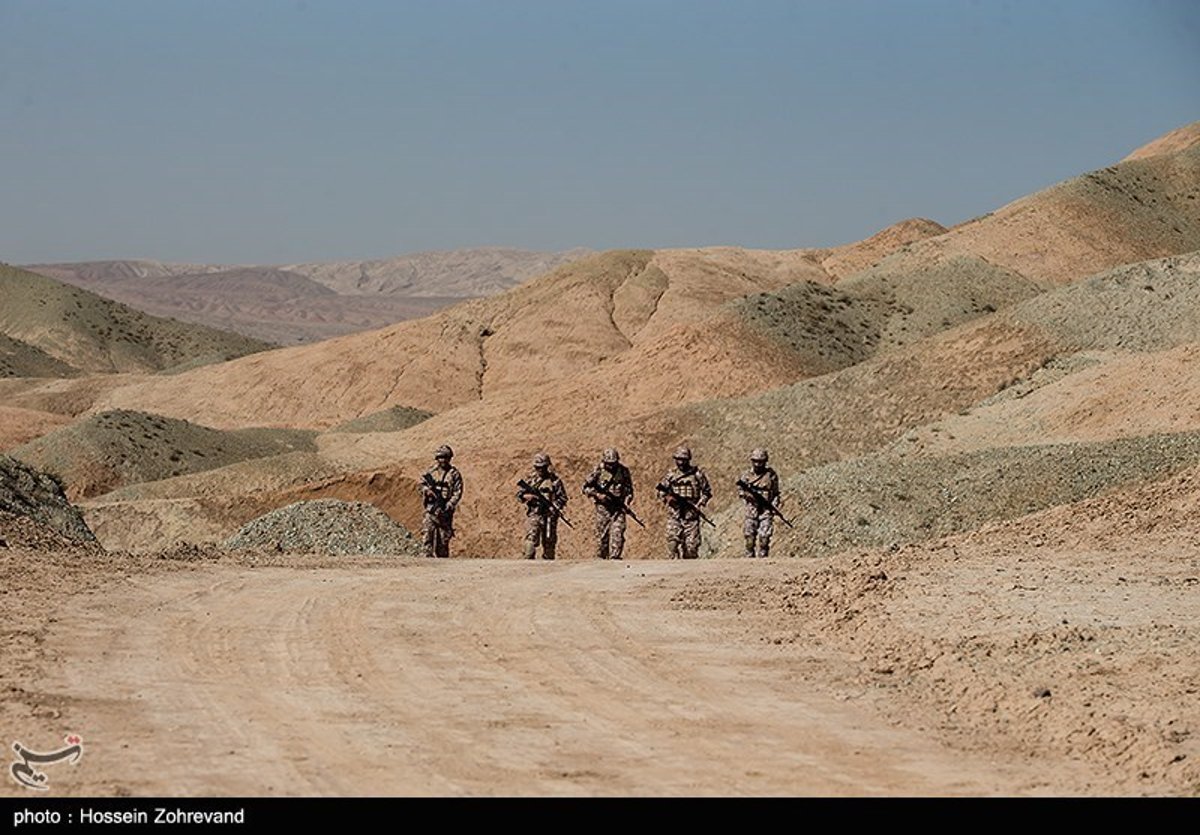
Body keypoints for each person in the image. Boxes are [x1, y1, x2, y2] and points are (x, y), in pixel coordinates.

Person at [656, 446, 711, 560]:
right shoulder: (670, 475)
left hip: (691, 516)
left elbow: (707, 492)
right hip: (674, 515)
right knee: (672, 544)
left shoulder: (697, 475)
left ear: (688, 460)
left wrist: (700, 503)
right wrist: (667, 498)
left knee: (691, 549)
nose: (681, 462)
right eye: (678, 459)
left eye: (683, 460)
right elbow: (661, 491)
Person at [582, 448, 635, 560]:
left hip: (618, 508)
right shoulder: (598, 471)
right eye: (608, 464)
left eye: (613, 463)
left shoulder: (623, 471)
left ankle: (615, 558)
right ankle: (601, 562)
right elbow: (585, 488)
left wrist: (627, 501)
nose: (611, 466)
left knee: (618, 533)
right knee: (602, 537)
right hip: (603, 509)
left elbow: (629, 490)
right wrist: (597, 495)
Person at [517, 452, 568, 560]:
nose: (540, 470)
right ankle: (527, 564)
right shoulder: (530, 479)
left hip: (550, 516)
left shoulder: (555, 481)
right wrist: (528, 496)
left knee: (549, 544)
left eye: (543, 467)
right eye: (538, 467)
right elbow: (519, 496)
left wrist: (554, 507)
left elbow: (563, 498)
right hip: (535, 514)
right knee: (530, 540)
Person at [419, 444, 463, 558]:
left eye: (445, 457)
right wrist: (426, 490)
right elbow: (421, 484)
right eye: (440, 457)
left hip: (445, 513)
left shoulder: (454, 474)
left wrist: (449, 504)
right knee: (427, 539)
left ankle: (441, 570)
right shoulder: (431, 472)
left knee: (442, 544)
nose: (442, 460)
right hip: (431, 510)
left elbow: (457, 492)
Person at [737, 448, 780, 558]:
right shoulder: (746, 475)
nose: (758, 464)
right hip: (751, 510)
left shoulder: (771, 475)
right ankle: (749, 559)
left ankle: (762, 560)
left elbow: (776, 492)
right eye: (755, 461)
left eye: (760, 461)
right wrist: (750, 497)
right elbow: (741, 491)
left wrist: (774, 505)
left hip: (766, 510)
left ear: (765, 461)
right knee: (749, 538)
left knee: (764, 538)